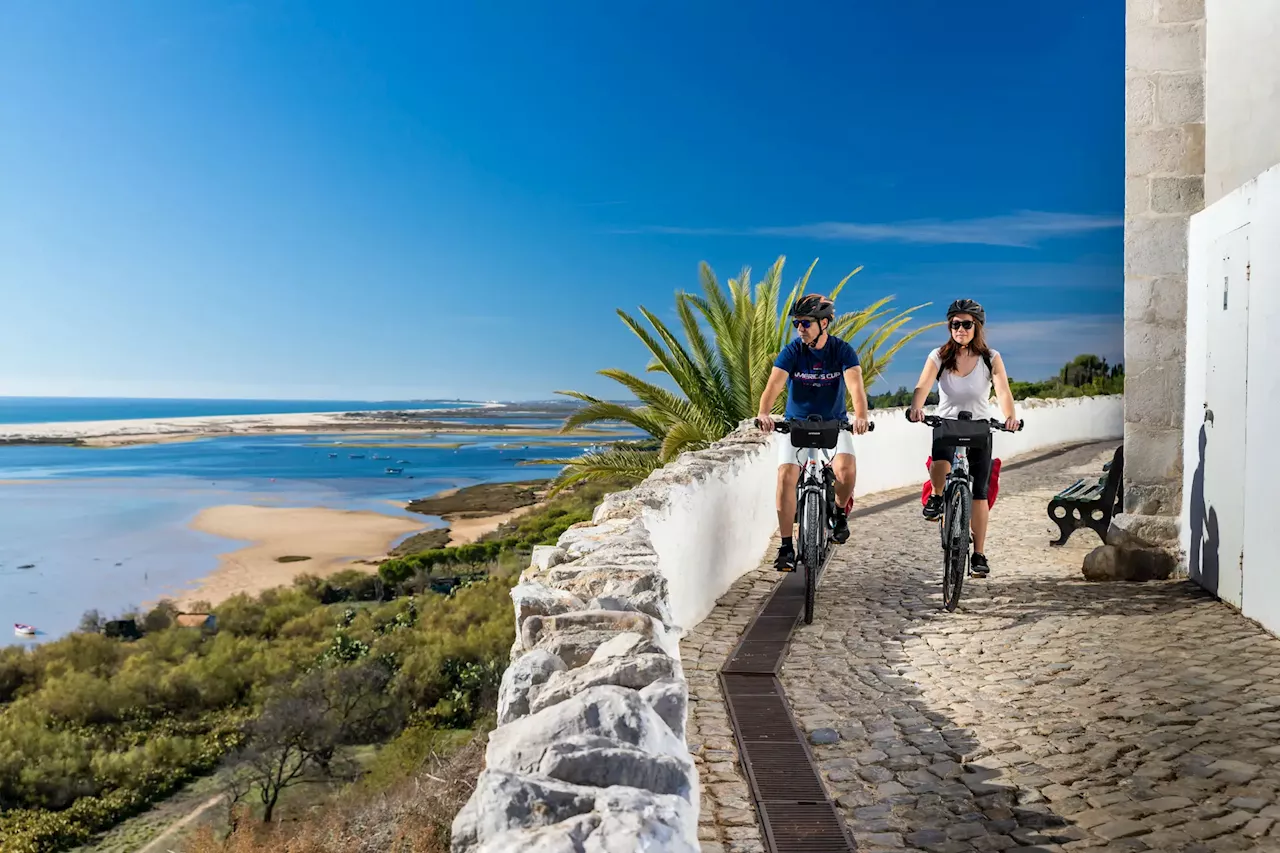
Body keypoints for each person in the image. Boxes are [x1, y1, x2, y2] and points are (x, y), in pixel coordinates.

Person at [757, 293, 870, 571]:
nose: (800, 329)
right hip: (797, 423)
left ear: (825, 323)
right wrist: (763, 413)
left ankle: (840, 513)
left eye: (806, 323)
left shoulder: (842, 351)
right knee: (786, 476)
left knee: (847, 471)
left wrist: (861, 416)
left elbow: (855, 386)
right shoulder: (793, 351)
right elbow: (774, 386)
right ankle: (785, 546)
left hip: (834, 422)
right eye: (797, 323)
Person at [907, 298, 1019, 578]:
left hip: (979, 426)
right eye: (955, 324)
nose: (960, 329)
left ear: (977, 327)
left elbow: (1003, 389)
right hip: (947, 422)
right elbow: (923, 384)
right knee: (940, 463)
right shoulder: (939, 356)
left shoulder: (990, 358)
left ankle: (978, 554)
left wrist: (1010, 416)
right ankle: (935, 496)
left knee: (979, 492)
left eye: (966, 324)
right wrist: (916, 407)